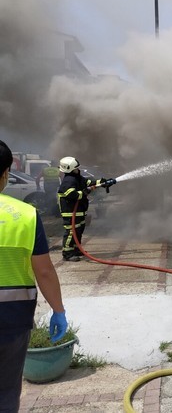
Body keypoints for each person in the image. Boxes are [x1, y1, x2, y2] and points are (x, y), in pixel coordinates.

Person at [0, 140, 68, 413]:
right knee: (5, 392)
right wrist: (58, 310)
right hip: (12, 321)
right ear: (6, 173)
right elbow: (44, 271)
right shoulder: (25, 215)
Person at [57, 156, 116, 262]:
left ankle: (76, 249)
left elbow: (89, 182)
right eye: (76, 168)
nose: (78, 170)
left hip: (79, 211)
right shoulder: (68, 180)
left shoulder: (77, 178)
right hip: (70, 212)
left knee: (79, 230)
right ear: (69, 169)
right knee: (71, 232)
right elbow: (70, 194)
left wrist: (102, 182)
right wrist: (84, 192)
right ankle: (67, 253)